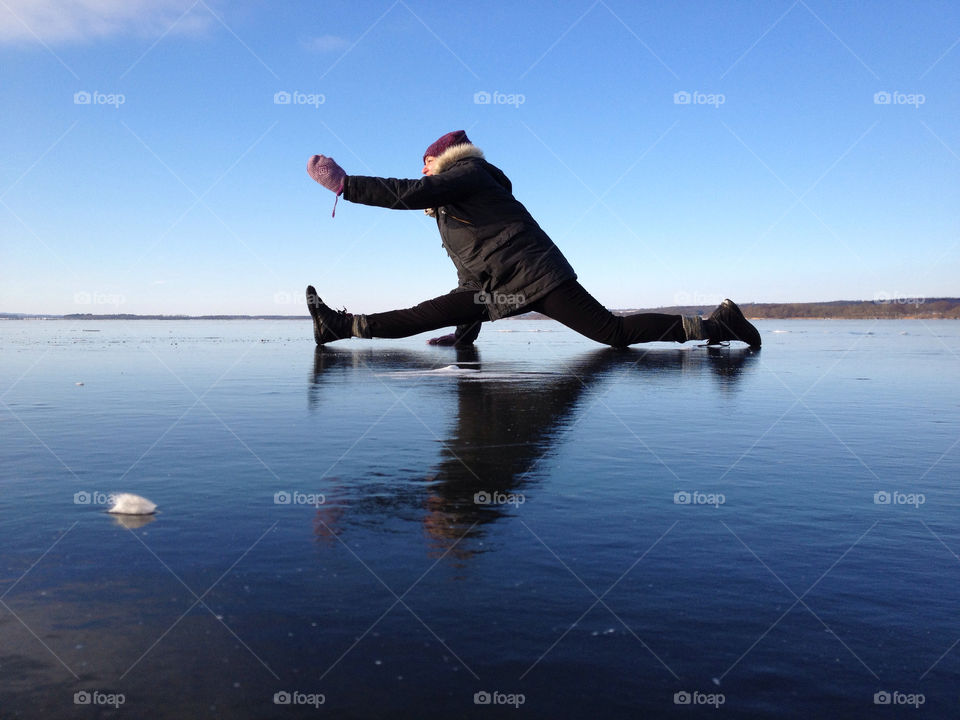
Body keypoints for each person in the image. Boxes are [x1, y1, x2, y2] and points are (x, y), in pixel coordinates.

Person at [304, 130, 761, 349]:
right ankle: (340, 326)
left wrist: (347, 185)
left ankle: (716, 325)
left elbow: (413, 192)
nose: (423, 170)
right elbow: (471, 268)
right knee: (426, 313)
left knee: (613, 332)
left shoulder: (468, 173)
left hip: (535, 275)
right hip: (493, 287)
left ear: (443, 161)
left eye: (426, 163)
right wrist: (464, 332)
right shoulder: (453, 203)